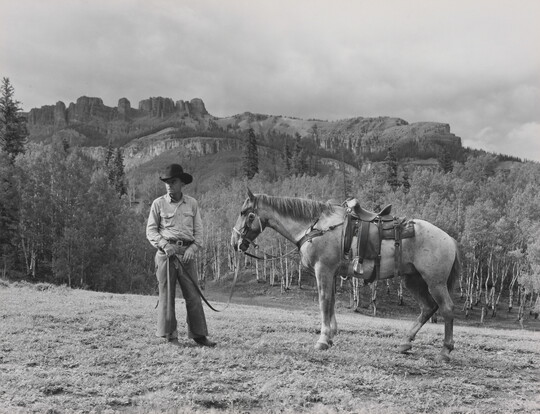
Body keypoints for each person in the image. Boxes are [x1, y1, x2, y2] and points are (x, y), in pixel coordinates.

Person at [146, 163, 216, 347]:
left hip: (187, 255)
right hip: (165, 255)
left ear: (181, 183)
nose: (169, 185)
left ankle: (199, 335)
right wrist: (163, 245)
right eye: (167, 182)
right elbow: (151, 231)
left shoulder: (192, 203)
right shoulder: (158, 204)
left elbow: (199, 232)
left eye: (173, 181)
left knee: (193, 295)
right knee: (167, 295)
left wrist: (193, 249)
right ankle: (171, 335)